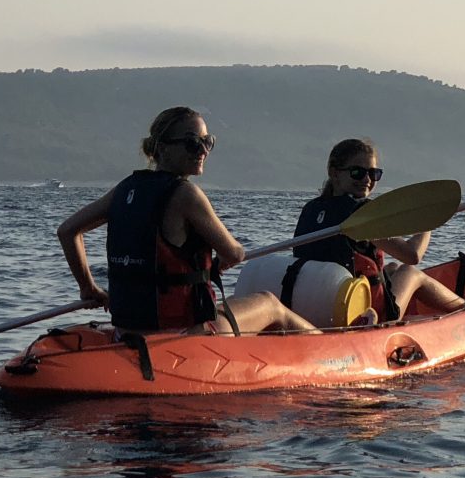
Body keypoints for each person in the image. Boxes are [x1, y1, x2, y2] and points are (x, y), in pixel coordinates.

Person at [56, 106, 317, 335]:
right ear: (162, 148)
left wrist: (88, 288)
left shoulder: (125, 189)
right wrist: (223, 260)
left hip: (127, 327)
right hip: (184, 334)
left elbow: (68, 231)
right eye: (192, 143)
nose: (202, 150)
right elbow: (235, 254)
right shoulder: (186, 194)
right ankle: (333, 348)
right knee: (270, 304)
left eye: (208, 141)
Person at [292, 138, 465, 322]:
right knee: (409, 272)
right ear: (334, 173)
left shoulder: (311, 209)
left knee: (391, 268)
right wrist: (429, 223)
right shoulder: (362, 214)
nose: (367, 179)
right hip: (361, 308)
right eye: (357, 172)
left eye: (374, 173)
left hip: (317, 305)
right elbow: (412, 255)